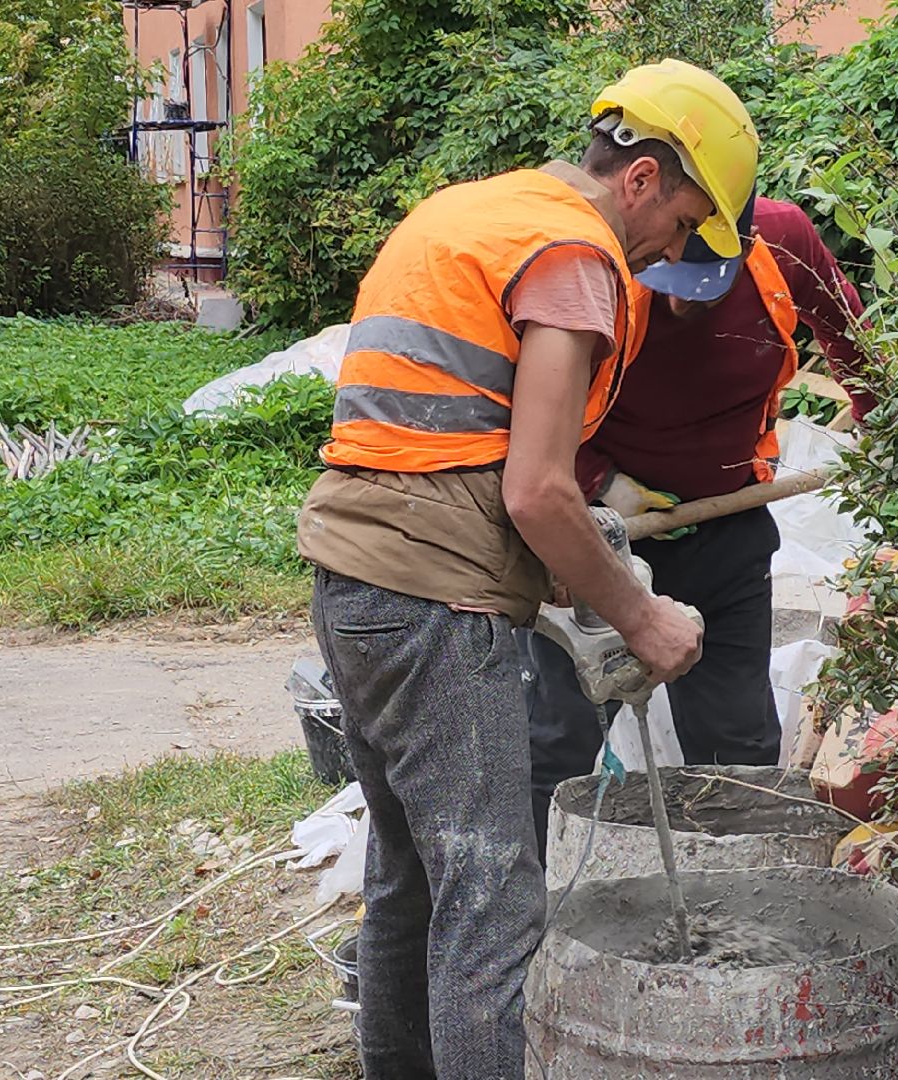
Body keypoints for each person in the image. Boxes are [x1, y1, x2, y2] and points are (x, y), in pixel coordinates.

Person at [297, 60, 758, 1079]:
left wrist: (559, 566)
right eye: (683, 223)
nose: (672, 252)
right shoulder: (574, 256)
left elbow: (449, 438)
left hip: (353, 580)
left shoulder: (474, 212)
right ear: (642, 177)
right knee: (492, 899)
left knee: (412, 878)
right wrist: (641, 619)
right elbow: (540, 492)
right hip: (432, 602)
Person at [523, 192, 872, 851]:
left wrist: (882, 415)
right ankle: (525, 896)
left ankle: (743, 884)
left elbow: (846, 325)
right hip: (595, 539)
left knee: (737, 744)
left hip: (726, 530)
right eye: (671, 277)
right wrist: (600, 482)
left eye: (704, 285)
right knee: (558, 735)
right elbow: (527, 409)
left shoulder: (781, 241)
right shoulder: (596, 271)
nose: (683, 303)